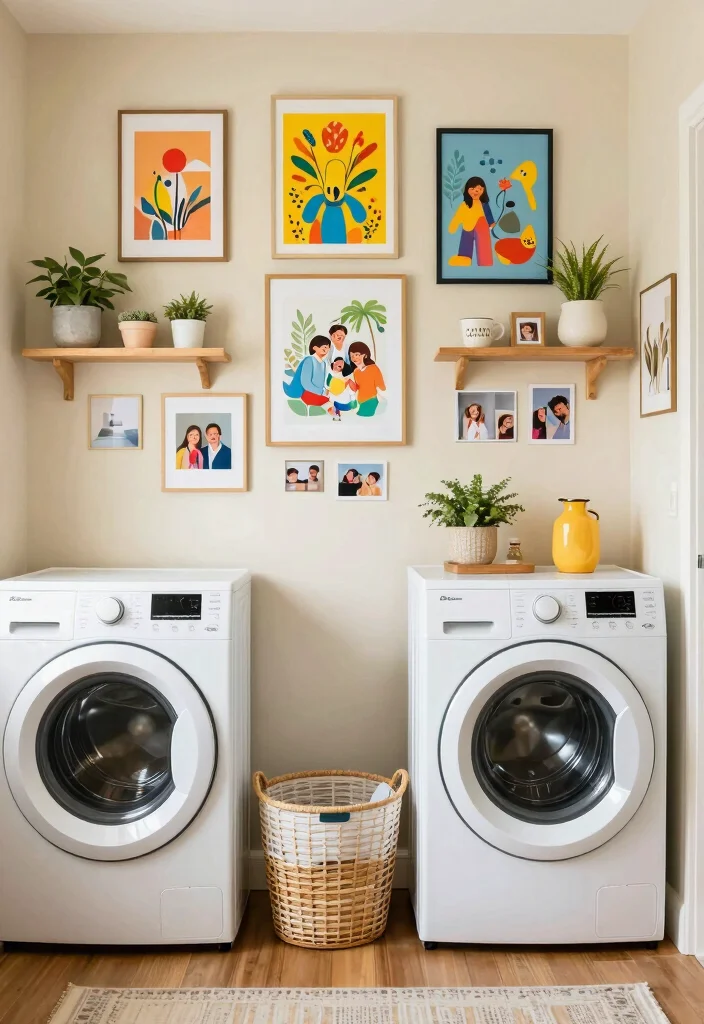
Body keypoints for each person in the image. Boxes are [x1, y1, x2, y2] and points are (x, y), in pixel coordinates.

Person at [448, 176, 495, 268]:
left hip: (482, 227)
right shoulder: (464, 204)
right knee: (465, 243)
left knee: (484, 245)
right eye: (472, 189)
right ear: (467, 190)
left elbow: (488, 214)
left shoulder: (484, 204)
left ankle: (485, 262)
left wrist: (491, 223)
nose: (476, 191)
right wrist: (453, 225)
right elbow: (458, 216)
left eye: (479, 189)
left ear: (483, 191)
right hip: (467, 226)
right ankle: (464, 259)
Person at [283, 337, 334, 414]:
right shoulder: (309, 360)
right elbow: (306, 383)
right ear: (315, 347)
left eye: (328, 348)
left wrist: (325, 391)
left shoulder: (323, 363)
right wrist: (322, 392)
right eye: (325, 347)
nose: (327, 350)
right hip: (306, 393)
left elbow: (320, 383)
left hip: (317, 393)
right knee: (330, 404)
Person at [348, 341, 386, 418]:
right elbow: (358, 387)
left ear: (364, 355)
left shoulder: (373, 368)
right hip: (360, 402)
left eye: (356, 355)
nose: (354, 358)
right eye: (351, 356)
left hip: (371, 401)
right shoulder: (356, 371)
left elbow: (382, 386)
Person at [326, 356, 356, 420]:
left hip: (346, 405)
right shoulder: (332, 377)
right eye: (335, 363)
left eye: (339, 366)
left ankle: (336, 413)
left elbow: (352, 392)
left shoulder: (346, 380)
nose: (335, 366)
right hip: (337, 404)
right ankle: (336, 413)